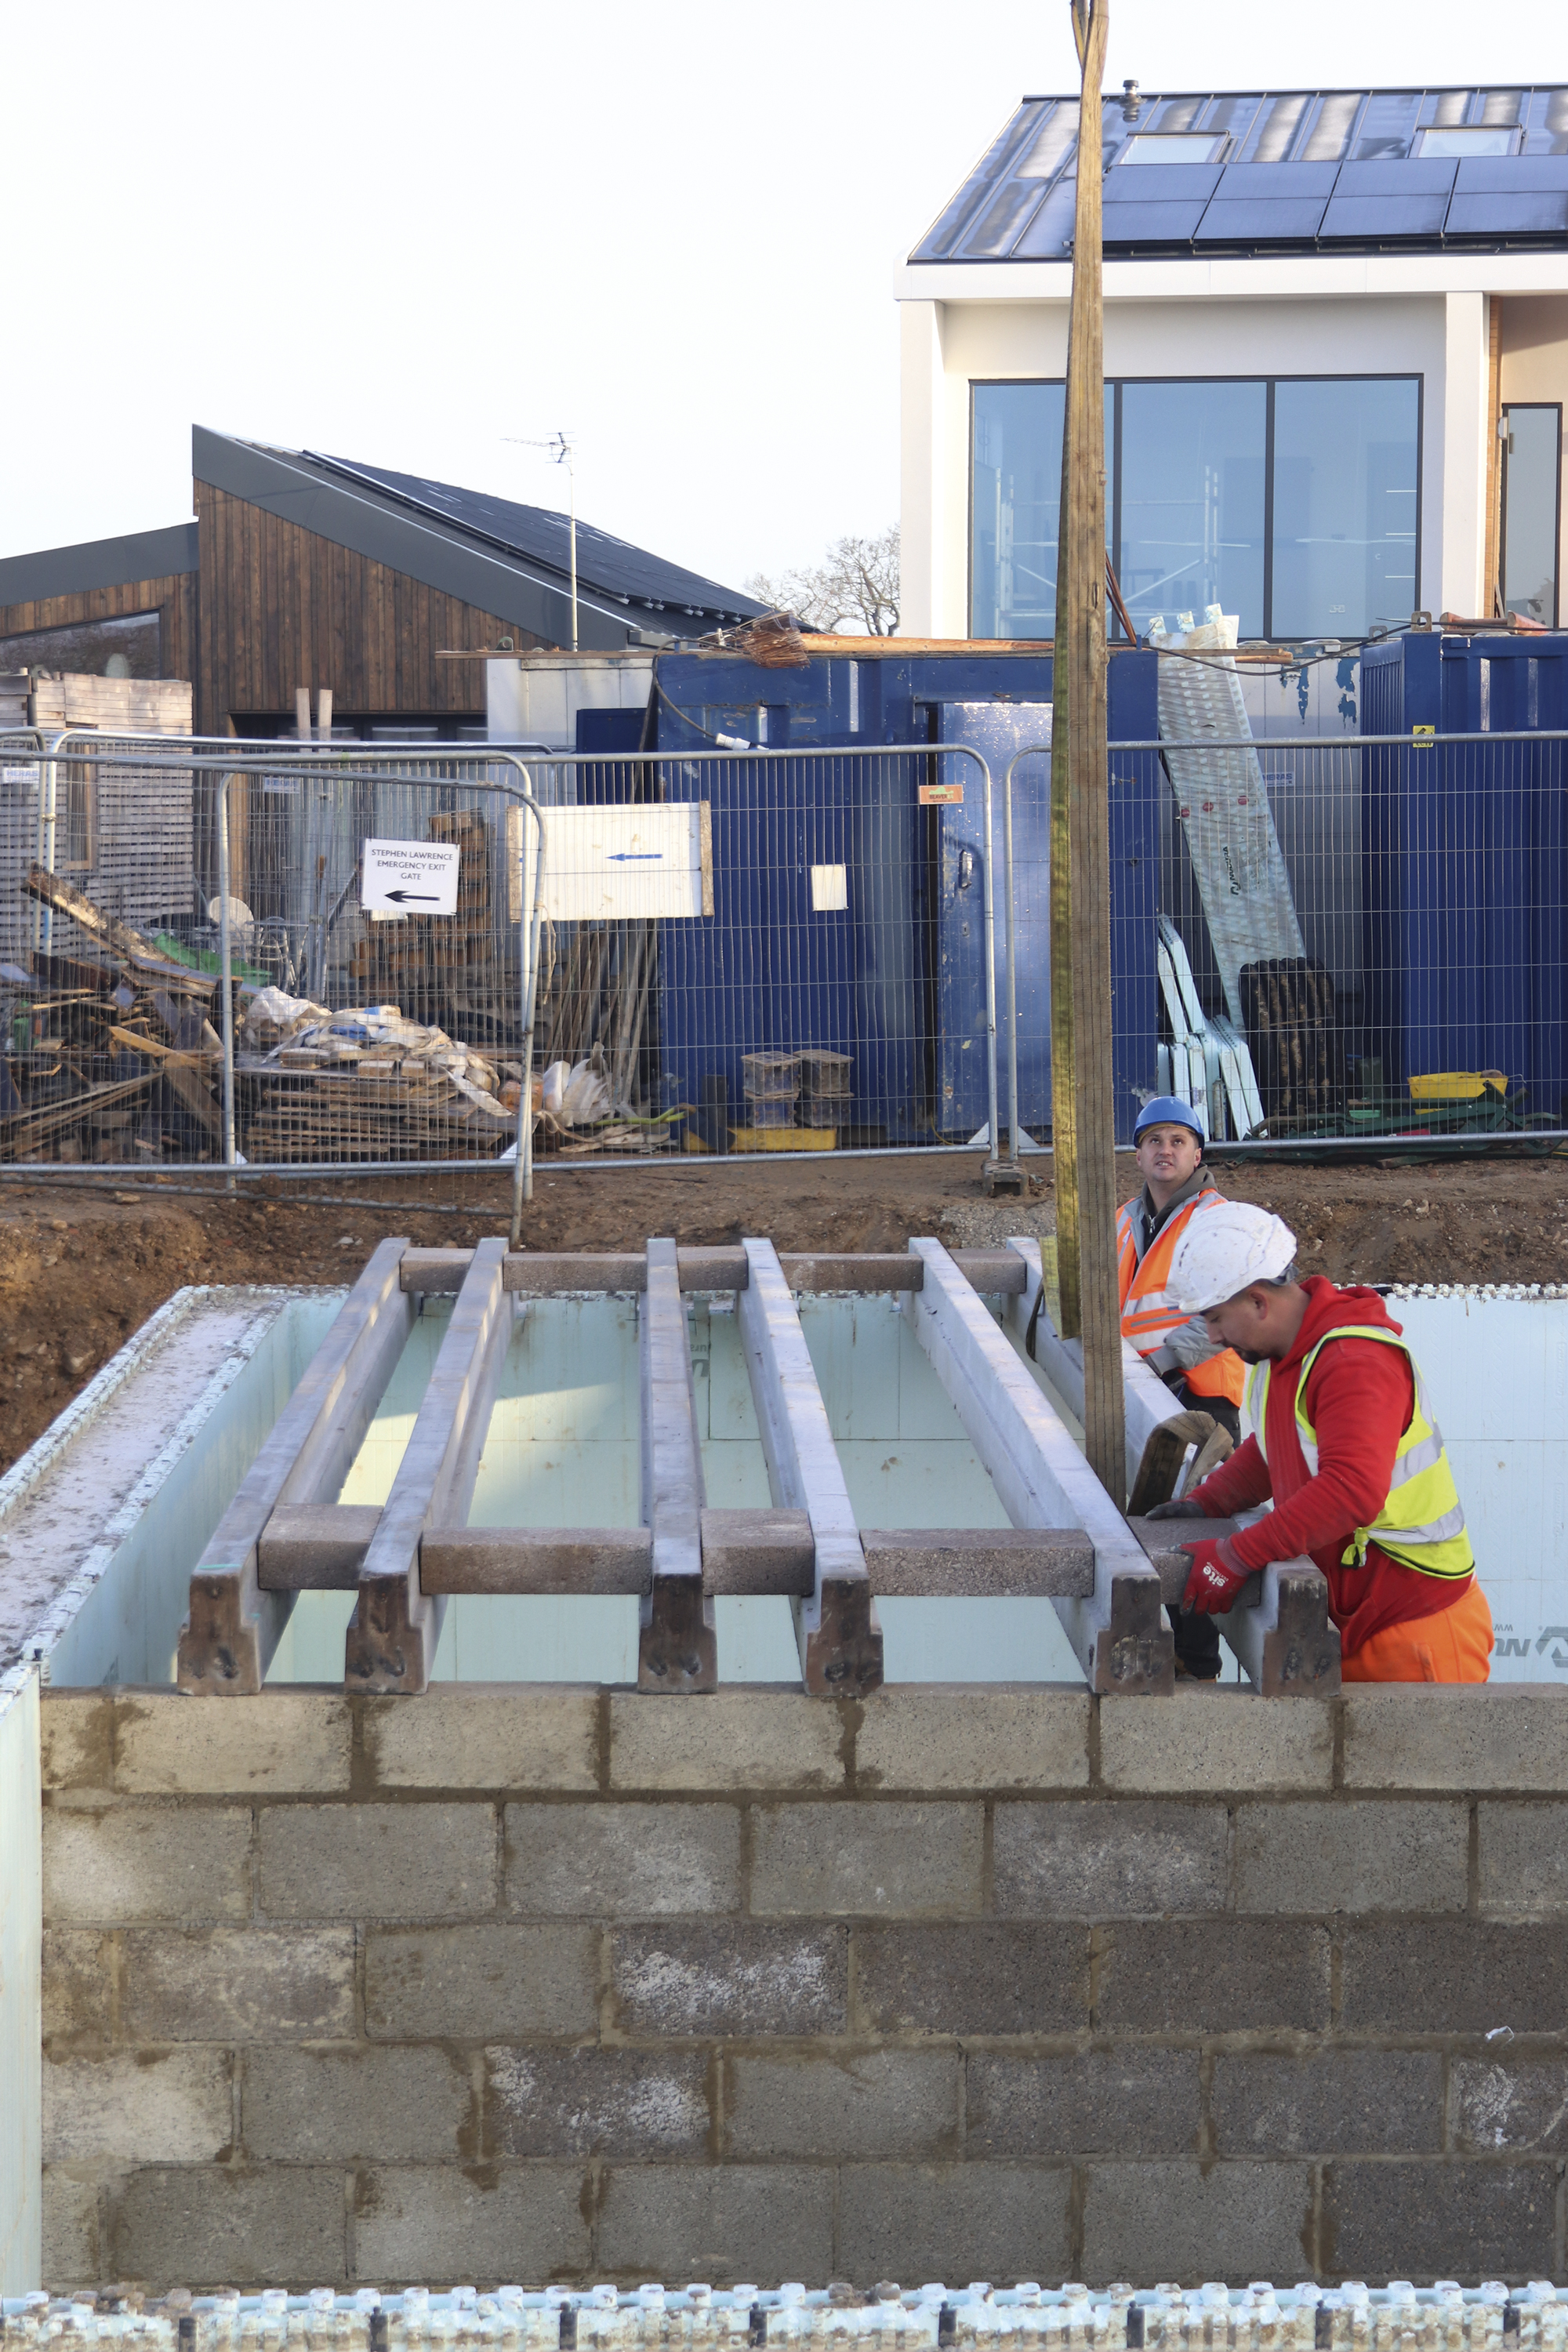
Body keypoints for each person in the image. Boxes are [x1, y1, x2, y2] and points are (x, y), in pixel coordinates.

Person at [1147, 1200, 1492, 1683]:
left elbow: (1351, 1490)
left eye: (1217, 1318)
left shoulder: (1353, 1360)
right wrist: (1207, 1502)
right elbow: (1274, 1451)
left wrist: (1237, 1555)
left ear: (1258, 1302)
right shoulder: (1285, 1356)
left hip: (1415, 1630)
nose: (1214, 1335)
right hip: (1365, 1618)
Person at [1118, 1095, 1247, 1681]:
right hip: (1141, 1396)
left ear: (1198, 1153)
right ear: (1138, 1154)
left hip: (1201, 1400)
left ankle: (1198, 1663)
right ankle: (1174, 1652)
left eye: (1177, 1140)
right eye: (1154, 1141)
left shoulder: (1219, 1218)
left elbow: (1240, 1302)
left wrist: (1170, 1361)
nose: (1165, 1151)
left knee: (1193, 1532)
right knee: (1149, 1525)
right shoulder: (1124, 1220)